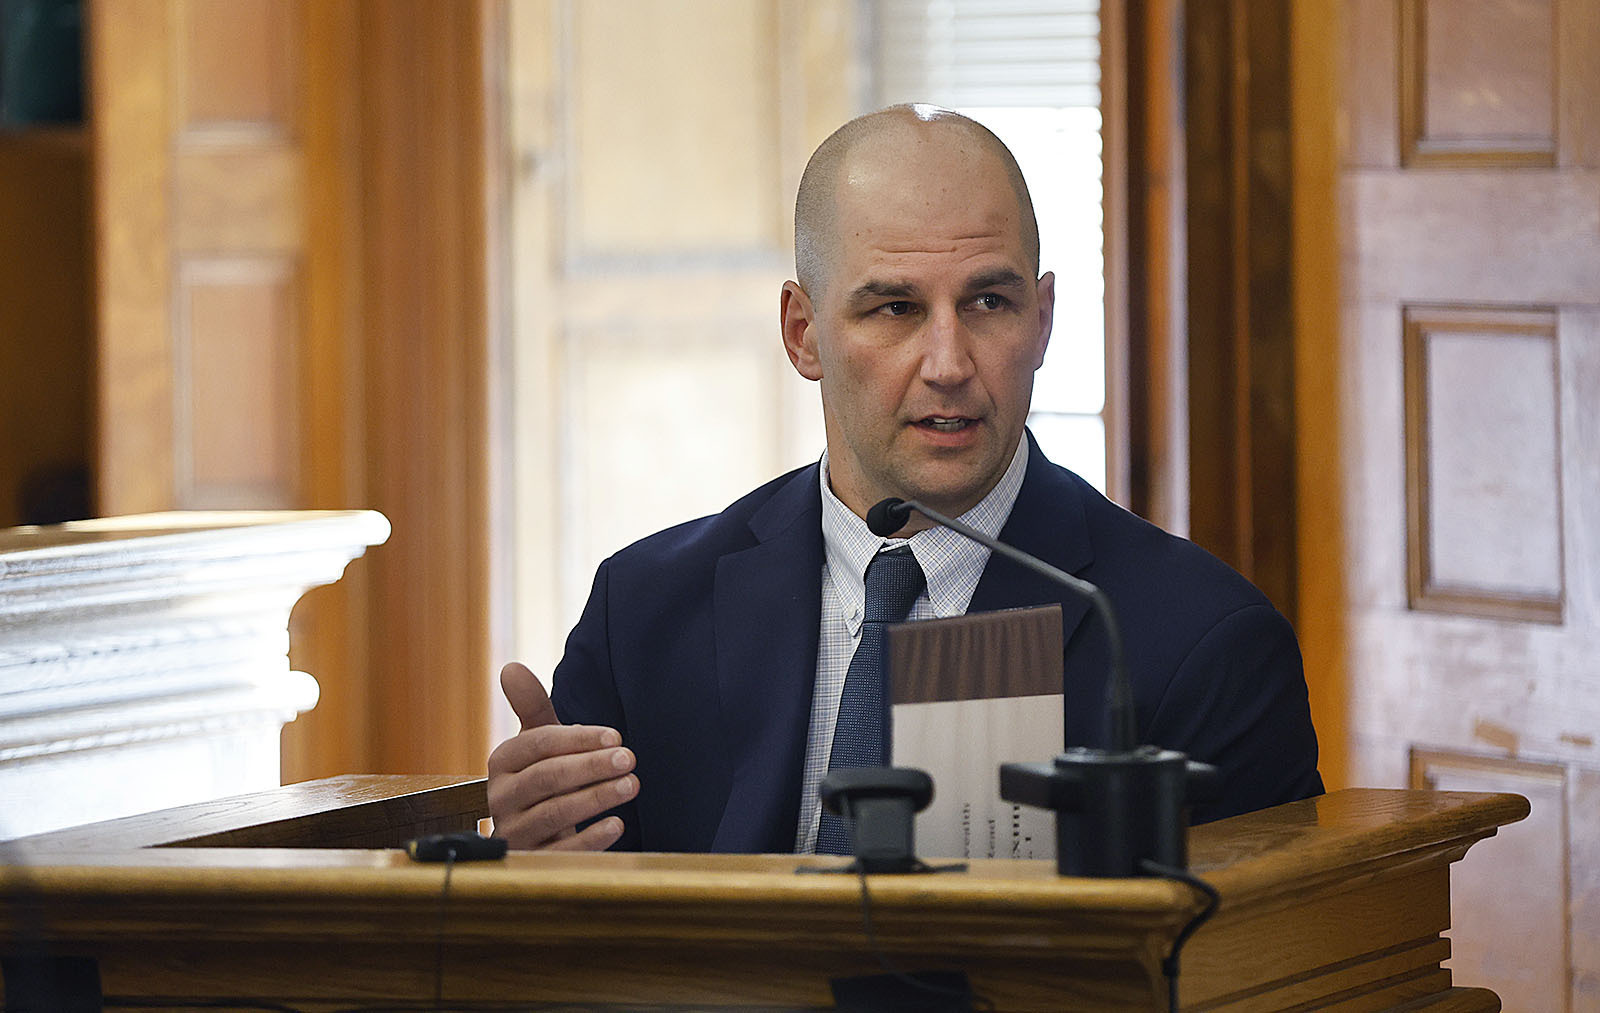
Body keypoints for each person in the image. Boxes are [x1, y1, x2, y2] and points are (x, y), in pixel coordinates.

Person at [487, 104, 1323, 853]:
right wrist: (534, 877)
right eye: (896, 308)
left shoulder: (1203, 644)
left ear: (1042, 322)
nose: (949, 364)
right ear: (803, 332)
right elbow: (578, 929)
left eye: (989, 302)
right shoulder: (644, 613)